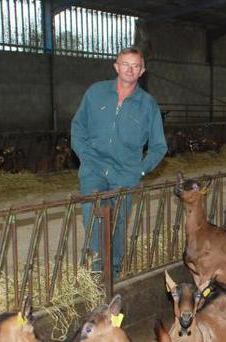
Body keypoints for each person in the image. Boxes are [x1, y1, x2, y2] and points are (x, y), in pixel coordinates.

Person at [71, 46, 167, 277]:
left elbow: (158, 146)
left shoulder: (148, 105)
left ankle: (113, 271)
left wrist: (140, 171)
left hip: (125, 174)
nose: (130, 69)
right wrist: (85, 156)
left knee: (117, 224)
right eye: (125, 64)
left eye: (135, 66)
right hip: (93, 169)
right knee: (93, 220)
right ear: (116, 66)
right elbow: (78, 127)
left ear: (142, 71)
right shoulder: (96, 93)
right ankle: (95, 273)